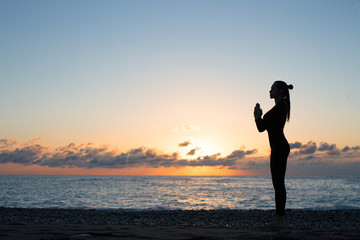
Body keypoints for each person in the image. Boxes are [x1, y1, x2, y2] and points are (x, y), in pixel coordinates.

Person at [253, 80, 293, 227]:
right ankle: (279, 218)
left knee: (279, 184)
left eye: (272, 89)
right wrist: (258, 117)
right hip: (277, 147)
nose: (269, 91)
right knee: (277, 184)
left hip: (280, 148)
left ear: (280, 91)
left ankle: (280, 220)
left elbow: (261, 127)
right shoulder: (278, 107)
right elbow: (263, 127)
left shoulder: (280, 107)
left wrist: (257, 116)